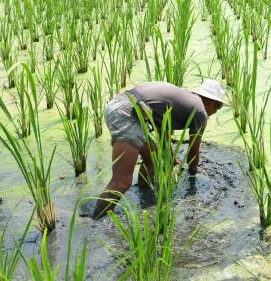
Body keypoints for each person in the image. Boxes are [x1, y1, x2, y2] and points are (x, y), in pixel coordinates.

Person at [91, 79, 226, 220]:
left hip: (120, 104)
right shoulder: (200, 111)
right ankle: (95, 221)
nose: (213, 113)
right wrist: (193, 171)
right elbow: (193, 149)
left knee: (152, 155)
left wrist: (170, 157)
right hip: (127, 114)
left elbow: (163, 125)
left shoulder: (184, 99)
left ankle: (144, 190)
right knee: (122, 181)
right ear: (210, 102)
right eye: (216, 109)